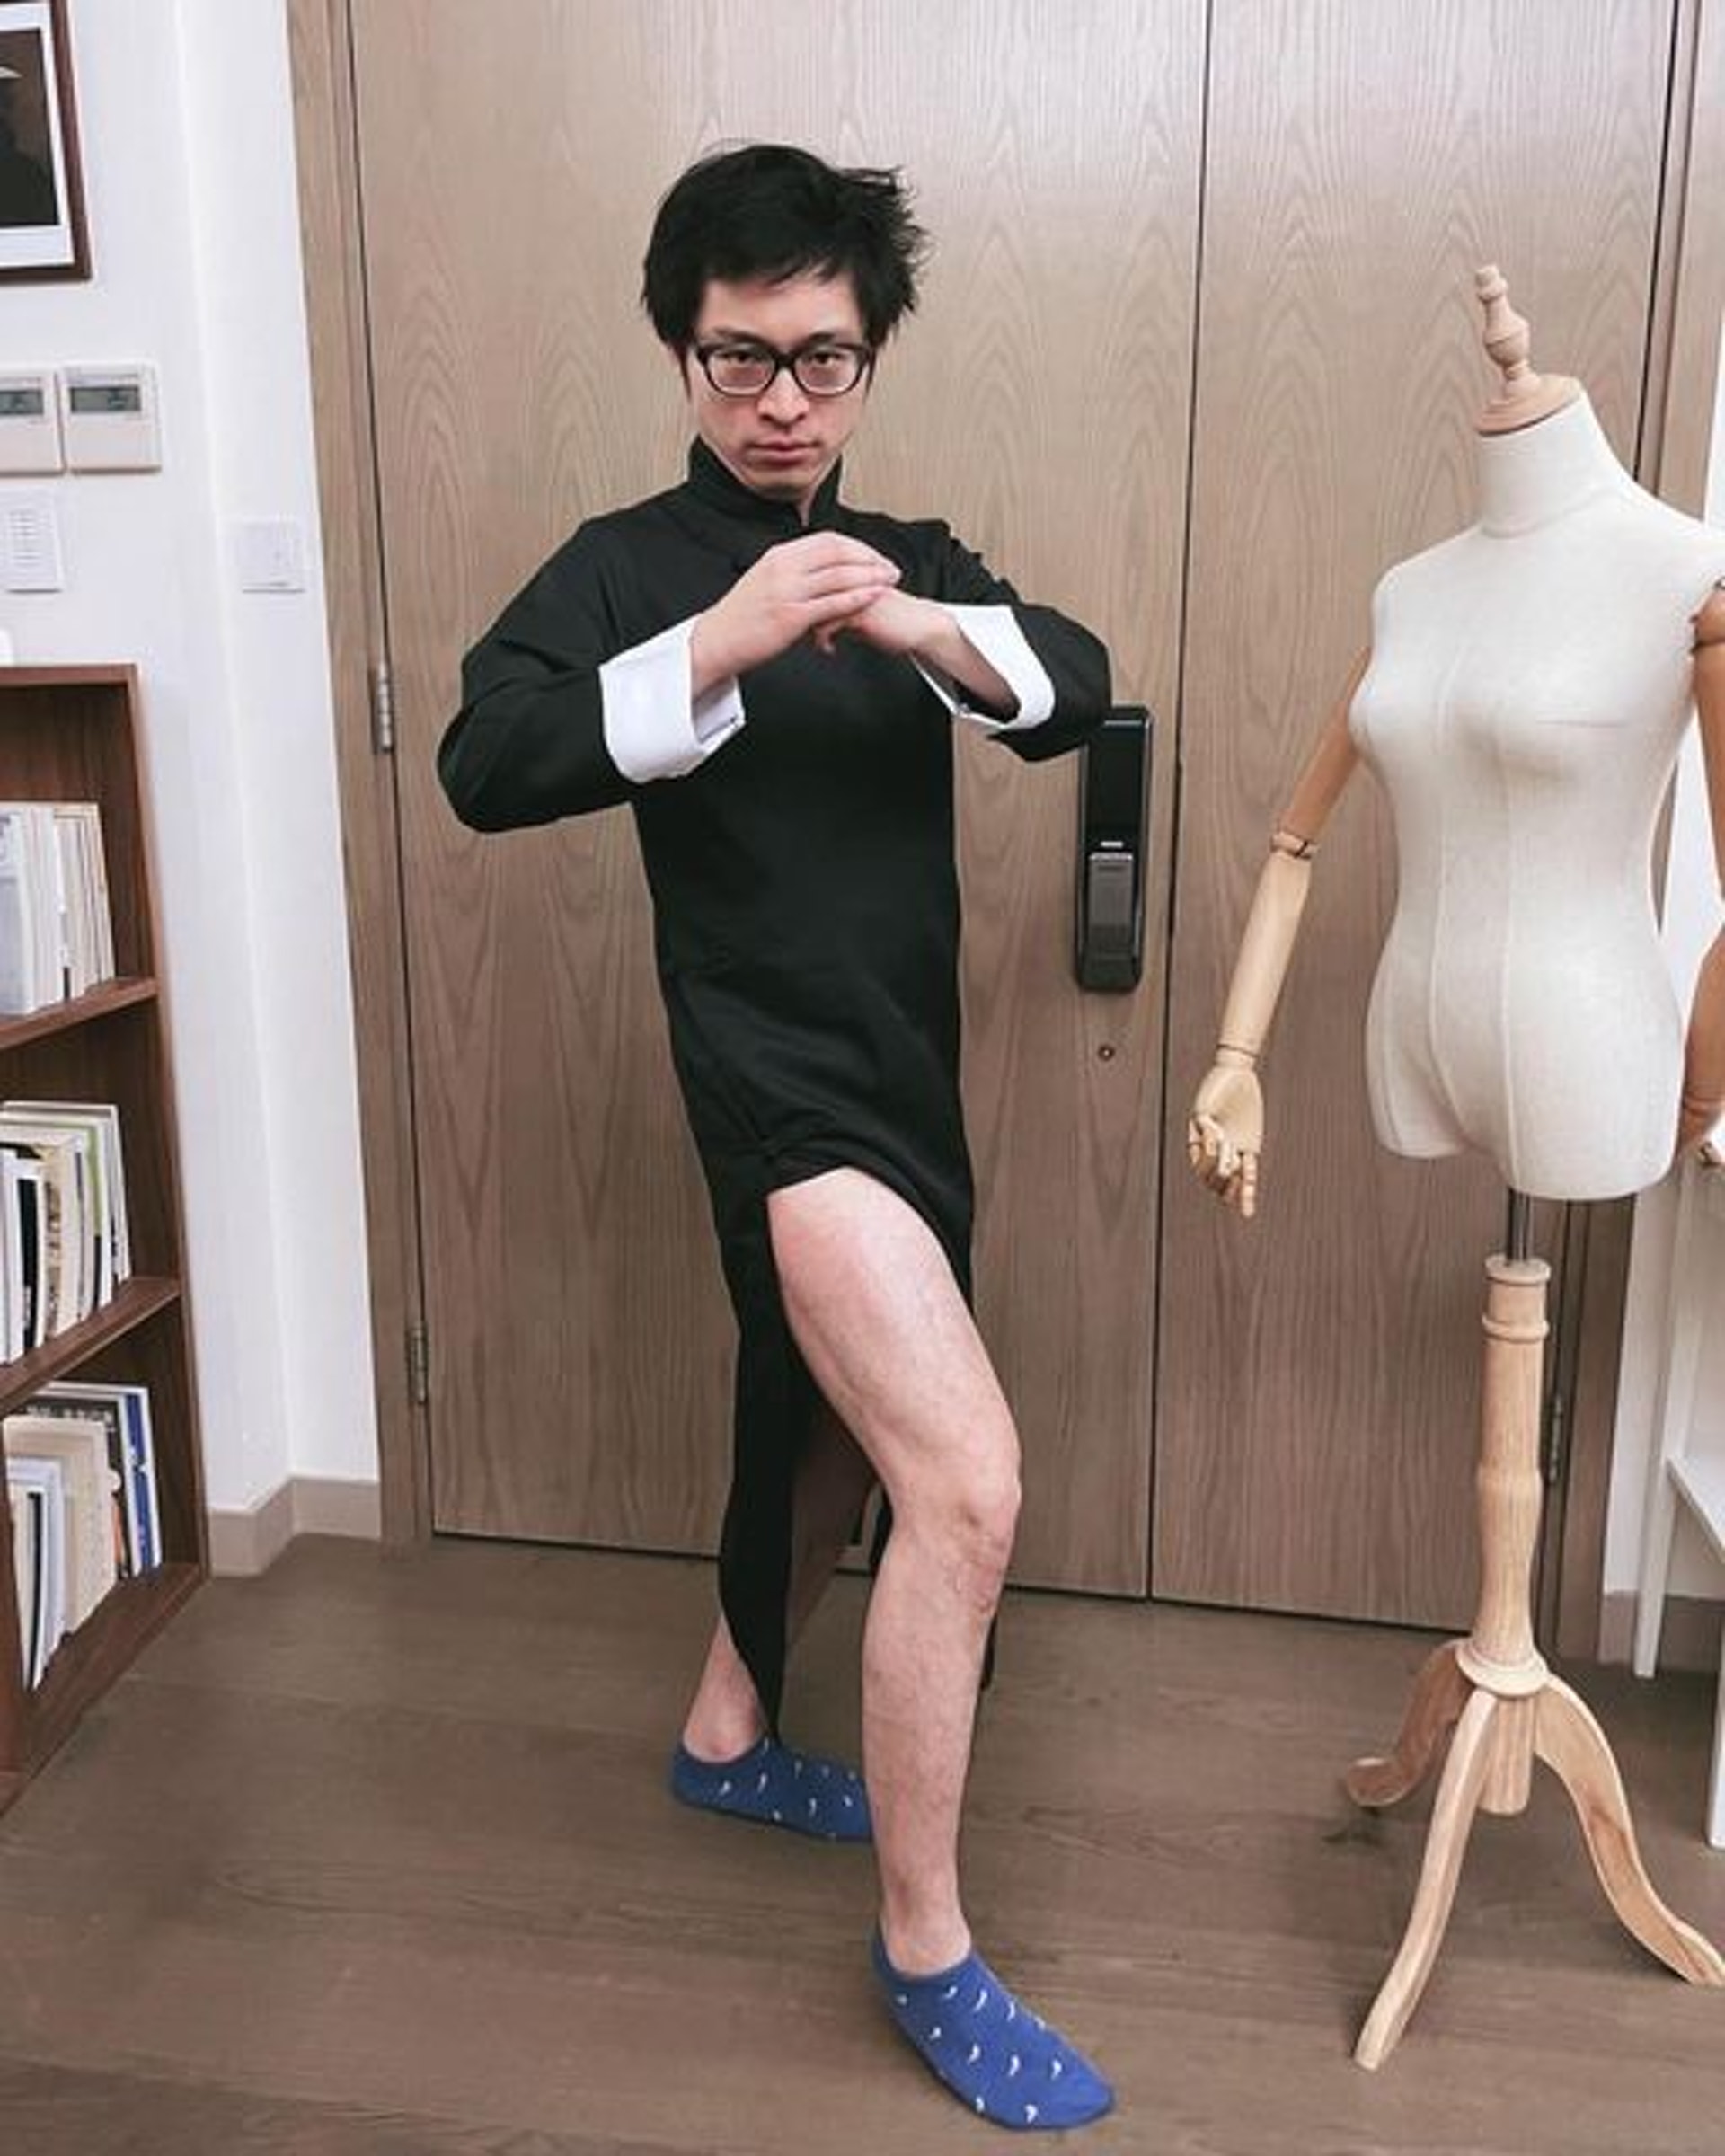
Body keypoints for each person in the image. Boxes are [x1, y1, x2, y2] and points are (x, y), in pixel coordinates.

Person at [439, 144, 1115, 2129]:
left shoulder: (904, 553)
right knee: (963, 1480)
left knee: (826, 1424)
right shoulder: (629, 563)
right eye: (741, 358)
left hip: (904, 1076)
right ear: (684, 354)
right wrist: (723, 638)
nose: (784, 401)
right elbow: (485, 752)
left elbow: (1071, 690)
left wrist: (919, 629)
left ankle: (728, 1735)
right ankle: (929, 1949)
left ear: (869, 357)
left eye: (824, 358)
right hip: (770, 1086)